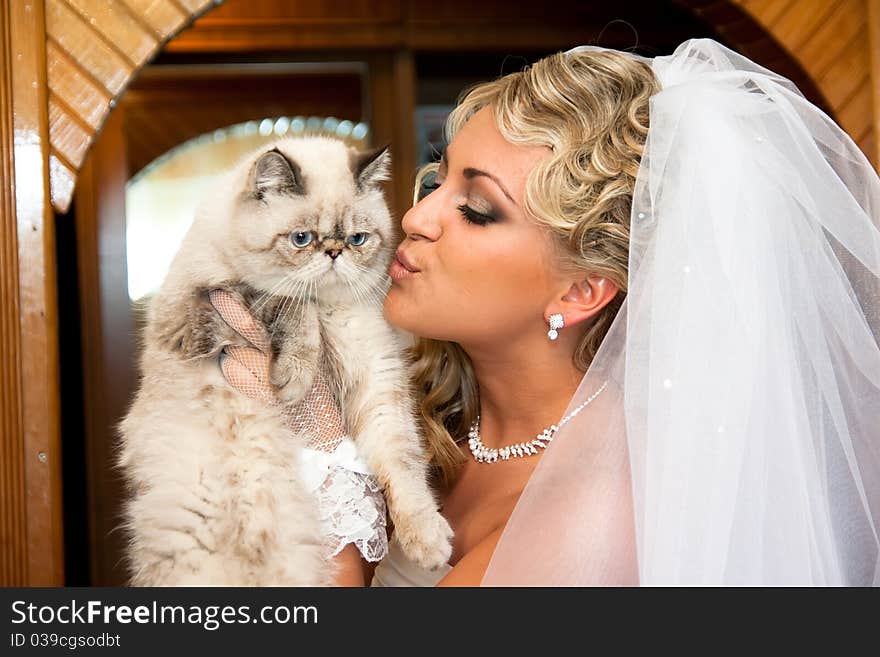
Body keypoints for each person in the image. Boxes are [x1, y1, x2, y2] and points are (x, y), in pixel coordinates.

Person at [212, 38, 880, 586]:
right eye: (438, 177)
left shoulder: (599, 515)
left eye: (477, 210)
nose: (414, 217)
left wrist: (326, 466)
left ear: (581, 290)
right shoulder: (429, 405)